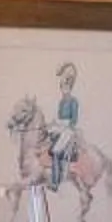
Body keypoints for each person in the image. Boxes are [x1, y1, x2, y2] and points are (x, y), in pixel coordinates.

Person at [47, 62, 82, 192]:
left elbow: (74, 120)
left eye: (65, 87)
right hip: (60, 128)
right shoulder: (61, 102)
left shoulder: (74, 101)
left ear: (70, 87)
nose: (63, 90)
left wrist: (62, 125)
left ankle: (55, 182)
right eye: (62, 87)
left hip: (68, 130)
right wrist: (53, 125)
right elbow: (59, 118)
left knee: (56, 152)